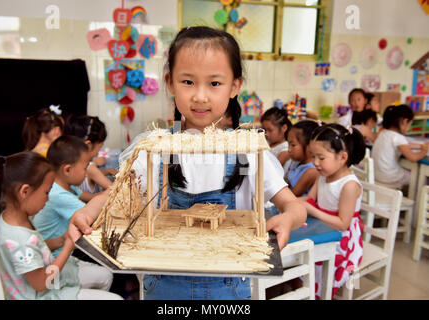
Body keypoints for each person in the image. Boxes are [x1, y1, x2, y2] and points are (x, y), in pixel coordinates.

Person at [67, 26, 307, 300]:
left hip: (229, 290)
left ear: (235, 86)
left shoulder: (248, 152)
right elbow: (114, 197)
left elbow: (294, 206)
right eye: (188, 82)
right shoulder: (153, 148)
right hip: (164, 289)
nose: (200, 96)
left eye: (214, 83)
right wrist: (88, 212)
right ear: (170, 83)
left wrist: (288, 218)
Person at [0, 151, 121, 299]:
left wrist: (61, 240)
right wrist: (67, 247)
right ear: (25, 191)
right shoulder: (18, 238)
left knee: (104, 276)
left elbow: (36, 247)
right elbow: (41, 283)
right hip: (42, 294)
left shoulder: (16, 220)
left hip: (49, 281)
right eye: (46, 192)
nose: (48, 199)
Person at [299, 123, 366, 299]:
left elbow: (343, 224)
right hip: (323, 228)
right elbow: (309, 200)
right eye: (313, 156)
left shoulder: (349, 185)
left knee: (315, 260)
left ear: (342, 157)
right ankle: (308, 289)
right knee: (300, 253)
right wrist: (290, 203)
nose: (315, 162)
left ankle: (322, 292)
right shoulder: (323, 176)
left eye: (321, 157)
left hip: (343, 239)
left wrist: (312, 210)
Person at [32, 135, 98, 257]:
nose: (87, 173)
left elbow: (93, 198)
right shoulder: (58, 195)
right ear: (67, 170)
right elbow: (94, 216)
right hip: (58, 255)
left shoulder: (67, 186)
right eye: (85, 168)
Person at [372, 104, 428, 188]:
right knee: (418, 177)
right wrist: (425, 150)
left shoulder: (383, 133)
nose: (409, 127)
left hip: (376, 176)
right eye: (410, 124)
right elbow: (413, 157)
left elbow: (403, 145)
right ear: (404, 122)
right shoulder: (398, 138)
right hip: (389, 178)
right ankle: (415, 199)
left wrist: (420, 146)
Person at [64, 115, 116, 200]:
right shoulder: (90, 167)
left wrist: (107, 171)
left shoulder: (68, 162)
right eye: (99, 147)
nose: (98, 152)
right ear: (88, 145)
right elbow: (115, 190)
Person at [286, 120, 319, 197]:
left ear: (310, 146)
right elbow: (286, 186)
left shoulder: (311, 171)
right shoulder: (296, 162)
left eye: (293, 145)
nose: (289, 149)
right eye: (288, 144)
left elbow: (292, 196)